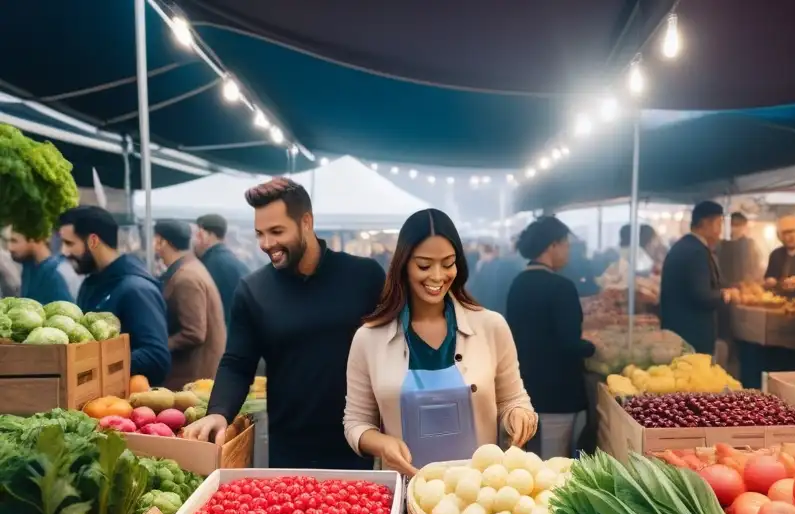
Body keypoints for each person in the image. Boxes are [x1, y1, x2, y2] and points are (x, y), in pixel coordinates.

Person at [183, 177, 385, 468]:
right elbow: (237, 363)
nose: (267, 244)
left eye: (277, 231)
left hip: (357, 444)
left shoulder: (363, 276)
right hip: (288, 450)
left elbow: (394, 344)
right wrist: (219, 412)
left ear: (306, 222)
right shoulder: (253, 290)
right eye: (260, 234)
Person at [344, 208, 536, 476]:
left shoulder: (491, 327)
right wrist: (381, 443)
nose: (437, 276)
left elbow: (514, 399)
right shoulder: (369, 338)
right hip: (408, 492)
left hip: (482, 494)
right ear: (403, 265)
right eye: (424, 265)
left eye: (448, 264)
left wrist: (519, 417)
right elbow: (356, 422)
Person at [506, 217, 595, 459]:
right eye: (566, 244)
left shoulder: (518, 283)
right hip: (558, 392)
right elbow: (569, 342)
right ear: (552, 245)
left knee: (528, 459)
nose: (568, 251)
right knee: (555, 462)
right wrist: (593, 347)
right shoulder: (561, 287)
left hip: (526, 386)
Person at [58, 206, 171, 384]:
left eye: (69, 243)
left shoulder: (137, 289)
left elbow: (156, 356)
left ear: (93, 241)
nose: (63, 251)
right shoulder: (89, 285)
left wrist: (96, 364)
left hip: (125, 403)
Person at [152, 220, 226, 390]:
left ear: (161, 242)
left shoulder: (186, 278)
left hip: (193, 377)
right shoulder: (190, 267)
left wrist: (158, 346)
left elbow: (194, 333)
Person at [660, 201, 736, 355]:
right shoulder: (696, 251)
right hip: (692, 334)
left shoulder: (683, 246)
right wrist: (727, 295)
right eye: (719, 224)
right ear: (705, 223)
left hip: (678, 331)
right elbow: (702, 295)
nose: (720, 231)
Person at [193, 213, 250, 328]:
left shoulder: (209, 266)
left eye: (197, 235)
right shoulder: (236, 263)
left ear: (204, 236)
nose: (194, 241)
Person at [7, 227, 80, 305]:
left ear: (34, 239)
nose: (10, 247)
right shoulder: (29, 267)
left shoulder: (56, 273)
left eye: (14, 241)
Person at [717, 212, 764, 286]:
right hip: (725, 287)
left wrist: (751, 282)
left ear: (744, 226)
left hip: (746, 287)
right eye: (732, 225)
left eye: (738, 225)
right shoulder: (721, 245)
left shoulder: (749, 244)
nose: (735, 228)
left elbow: (756, 266)